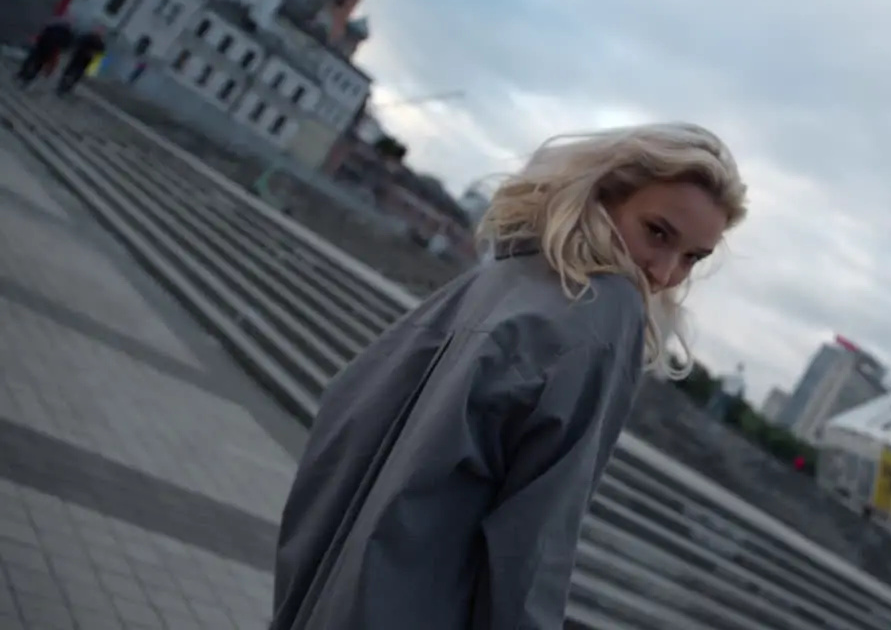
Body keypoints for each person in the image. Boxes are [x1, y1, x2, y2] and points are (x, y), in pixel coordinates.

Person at [270, 123, 749, 629]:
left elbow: (344, 417)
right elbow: (535, 537)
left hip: (336, 591)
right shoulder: (607, 309)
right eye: (657, 232)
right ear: (603, 200)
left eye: (693, 258)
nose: (666, 272)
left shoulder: (502, 278)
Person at [15, 16, 74, 87]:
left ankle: (25, 77)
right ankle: (24, 76)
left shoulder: (61, 30)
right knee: (34, 62)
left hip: (46, 49)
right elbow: (65, 45)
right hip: (45, 48)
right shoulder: (61, 31)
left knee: (34, 62)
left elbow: (45, 32)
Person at [56, 27, 106, 96]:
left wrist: (93, 68)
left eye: (100, 32)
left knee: (75, 76)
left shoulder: (100, 44)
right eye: (98, 31)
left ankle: (66, 88)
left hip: (85, 62)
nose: (98, 33)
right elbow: (78, 43)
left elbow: (99, 56)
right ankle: (61, 86)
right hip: (78, 58)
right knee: (69, 72)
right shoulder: (88, 37)